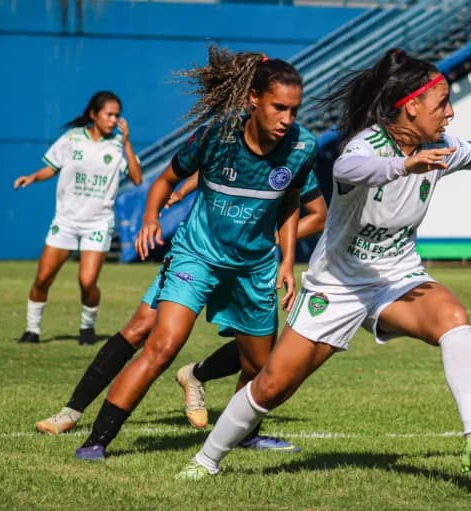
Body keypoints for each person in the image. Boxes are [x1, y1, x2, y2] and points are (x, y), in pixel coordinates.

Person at [176, 48, 471, 480]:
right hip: (336, 284)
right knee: (272, 386)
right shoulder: (369, 144)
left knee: (452, 317)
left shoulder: (438, 147)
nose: (450, 113)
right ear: (411, 106)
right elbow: (349, 166)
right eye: (442, 104)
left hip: (396, 277)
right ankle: (205, 461)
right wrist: (404, 164)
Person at [73, 47, 318, 461]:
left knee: (260, 366)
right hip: (197, 255)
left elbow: (291, 202)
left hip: (253, 267)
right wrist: (151, 217)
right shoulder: (218, 136)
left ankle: (242, 433)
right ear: (253, 99)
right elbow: (165, 179)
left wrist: (287, 262)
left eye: (294, 110)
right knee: (162, 344)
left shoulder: (302, 145)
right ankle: (96, 440)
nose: (287, 119)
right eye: (279, 108)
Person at [35, 170, 326, 453]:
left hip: (247, 266)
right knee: (142, 329)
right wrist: (182, 192)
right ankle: (71, 412)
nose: (285, 120)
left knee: (257, 355)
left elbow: (318, 216)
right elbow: (209, 167)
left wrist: (263, 237)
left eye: (291, 115)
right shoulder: (230, 142)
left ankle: (218, 401)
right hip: (196, 254)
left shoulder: (294, 155)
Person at [14, 91, 142, 345]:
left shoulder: (118, 145)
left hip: (98, 222)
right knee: (42, 279)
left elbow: (138, 179)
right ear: (94, 115)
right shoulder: (72, 139)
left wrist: (127, 143)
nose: (114, 119)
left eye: (117, 115)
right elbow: (52, 167)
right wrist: (32, 177)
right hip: (67, 221)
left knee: (87, 281)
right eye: (109, 114)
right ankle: (32, 330)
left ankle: (87, 328)